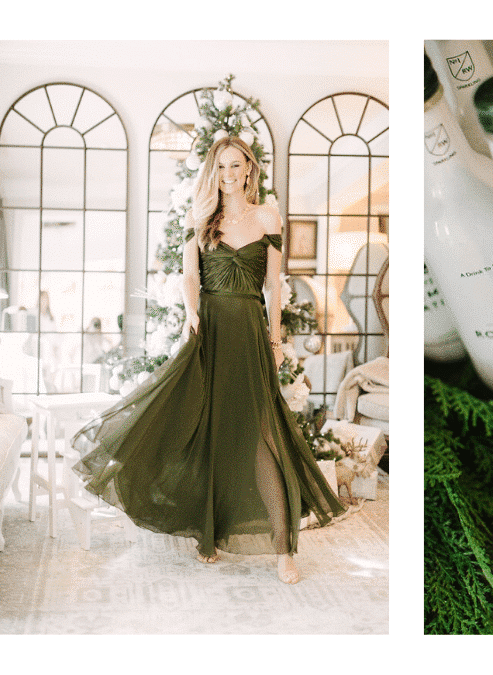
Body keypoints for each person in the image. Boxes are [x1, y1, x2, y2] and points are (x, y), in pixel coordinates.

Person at [72, 137, 346, 584]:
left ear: (248, 168)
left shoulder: (267, 216)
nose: (229, 174)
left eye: (236, 165)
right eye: (221, 167)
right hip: (210, 330)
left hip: (249, 331)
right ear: (212, 172)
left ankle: (282, 550)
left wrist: (275, 342)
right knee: (208, 430)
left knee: (263, 437)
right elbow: (189, 274)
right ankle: (207, 534)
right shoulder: (200, 217)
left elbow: (275, 287)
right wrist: (192, 311)